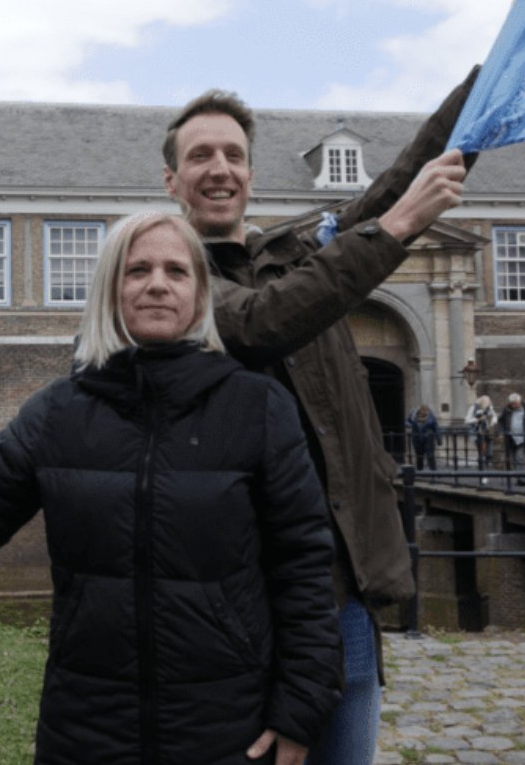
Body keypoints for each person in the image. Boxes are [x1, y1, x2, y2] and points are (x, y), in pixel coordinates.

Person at [0, 213, 341, 765]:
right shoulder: (57, 414)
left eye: (176, 271)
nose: (157, 284)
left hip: (226, 725)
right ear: (110, 289)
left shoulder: (257, 409)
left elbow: (303, 566)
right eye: (138, 270)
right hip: (86, 725)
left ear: (200, 294)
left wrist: (300, 706)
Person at [161, 67, 479, 765]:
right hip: (243, 598)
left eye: (233, 155)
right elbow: (263, 322)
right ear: (172, 181)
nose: (219, 169)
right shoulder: (173, 282)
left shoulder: (298, 255)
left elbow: (397, 184)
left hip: (346, 584)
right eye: (200, 156)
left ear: (251, 175)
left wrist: (487, 89)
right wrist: (394, 230)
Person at [498, 393, 525, 485]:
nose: (515, 406)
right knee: (513, 460)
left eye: (516, 403)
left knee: (519, 458)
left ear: (520, 401)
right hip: (511, 438)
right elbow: (501, 421)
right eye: (513, 404)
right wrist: (501, 432)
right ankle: (519, 477)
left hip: (523, 438)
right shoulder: (507, 410)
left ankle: (521, 479)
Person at [405, 404, 443, 471]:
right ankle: (420, 471)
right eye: (422, 410)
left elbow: (436, 428)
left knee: (430, 456)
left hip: (428, 439)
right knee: (419, 457)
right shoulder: (414, 417)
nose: (424, 412)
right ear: (420, 411)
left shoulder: (431, 418)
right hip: (417, 439)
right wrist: (410, 423)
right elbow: (407, 422)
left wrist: (439, 439)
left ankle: (433, 473)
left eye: (426, 410)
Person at [465, 394, 497, 471]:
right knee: (481, 451)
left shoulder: (490, 408)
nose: (487, 404)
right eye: (486, 403)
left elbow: (495, 416)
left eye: (488, 403)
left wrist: (493, 422)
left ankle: (486, 464)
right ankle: (481, 468)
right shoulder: (473, 408)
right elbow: (467, 420)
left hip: (488, 432)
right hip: (478, 432)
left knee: (489, 452)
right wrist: (477, 419)